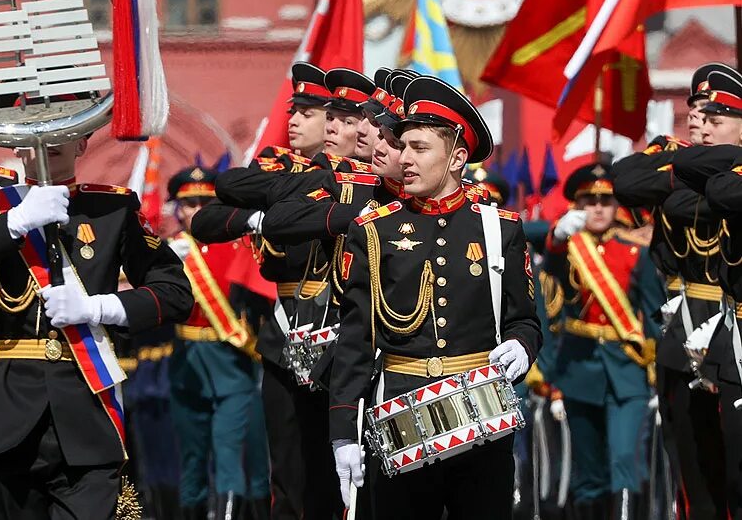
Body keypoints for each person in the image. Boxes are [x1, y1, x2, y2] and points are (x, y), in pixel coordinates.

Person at [0, 128, 193, 518]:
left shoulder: (111, 209)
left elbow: (175, 293)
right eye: (34, 135)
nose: (47, 144)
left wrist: (99, 308)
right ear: (15, 146)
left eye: (63, 132)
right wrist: (15, 223)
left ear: (82, 144)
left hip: (87, 405)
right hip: (10, 410)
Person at [330, 75, 540, 520]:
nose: (404, 158)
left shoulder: (499, 229)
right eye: (402, 146)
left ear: (457, 157)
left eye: (419, 148)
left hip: (483, 418)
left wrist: (522, 347)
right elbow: (356, 339)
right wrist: (343, 431)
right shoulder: (373, 231)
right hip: (398, 417)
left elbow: (525, 319)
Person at [191, 64, 344, 519]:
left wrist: (283, 200)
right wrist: (262, 219)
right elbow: (210, 216)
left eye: (310, 113)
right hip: (287, 331)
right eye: (294, 110)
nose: (294, 120)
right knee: (288, 465)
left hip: (342, 333)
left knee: (335, 468)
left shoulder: (357, 176)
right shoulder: (274, 165)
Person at [612, 63, 738, 520]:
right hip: (682, 329)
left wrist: (687, 180)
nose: (697, 121)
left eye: (711, 114)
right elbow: (626, 180)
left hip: (729, 323)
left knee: (733, 462)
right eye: (695, 111)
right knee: (689, 461)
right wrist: (688, 172)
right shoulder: (671, 153)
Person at [540, 163, 664, 518]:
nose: (597, 208)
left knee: (626, 460)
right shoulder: (567, 246)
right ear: (577, 205)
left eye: (606, 200)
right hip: (580, 370)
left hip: (627, 370)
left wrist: (658, 371)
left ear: (617, 206)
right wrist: (558, 237)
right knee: (588, 469)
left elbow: (653, 316)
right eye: (589, 200)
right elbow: (551, 266)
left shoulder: (633, 252)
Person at [166, 166, 267, 519]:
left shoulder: (236, 246)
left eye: (204, 202)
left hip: (230, 360)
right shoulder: (171, 250)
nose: (195, 210)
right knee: (191, 457)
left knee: (228, 452)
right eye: (189, 203)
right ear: (178, 209)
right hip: (185, 362)